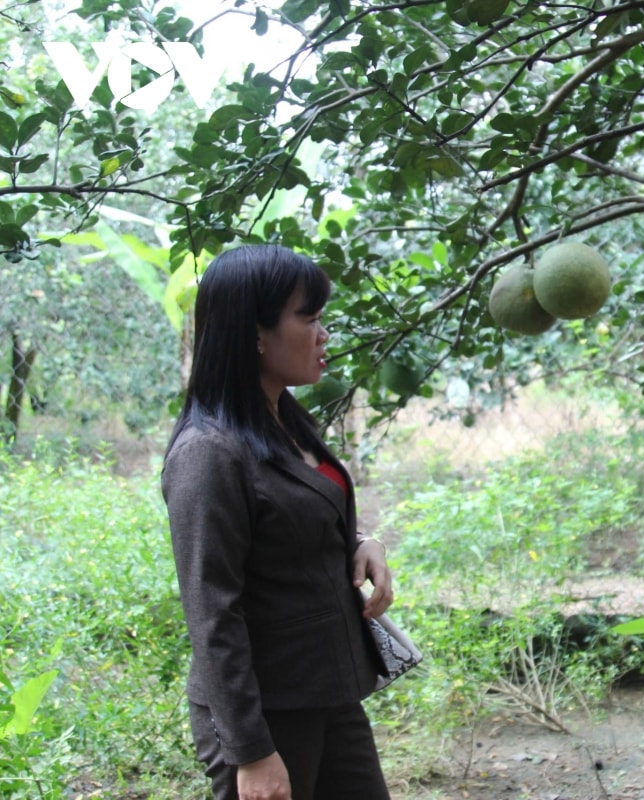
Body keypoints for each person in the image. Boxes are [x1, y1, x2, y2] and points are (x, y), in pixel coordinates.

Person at [162, 244, 395, 800]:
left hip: (328, 693)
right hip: (266, 713)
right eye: (309, 319)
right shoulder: (207, 454)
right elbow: (211, 611)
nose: (324, 334)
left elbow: (296, 514)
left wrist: (363, 542)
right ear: (254, 333)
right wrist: (252, 751)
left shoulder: (282, 417)